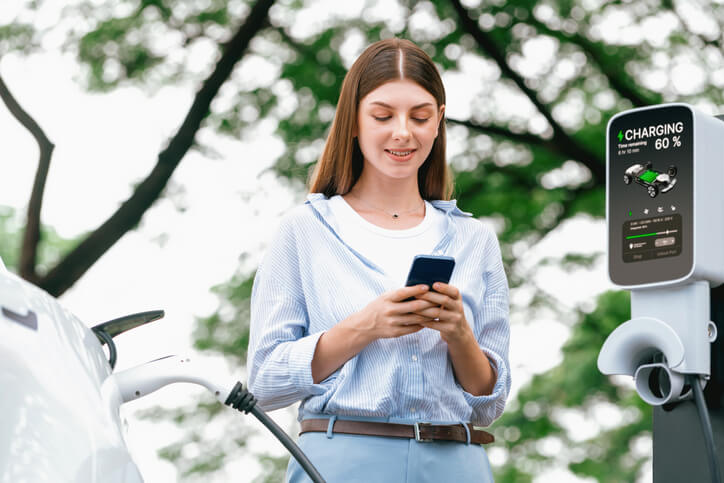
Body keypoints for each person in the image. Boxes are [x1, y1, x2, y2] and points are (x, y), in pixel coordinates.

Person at [247, 38, 510, 482]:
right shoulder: (303, 231)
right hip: (342, 460)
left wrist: (460, 334)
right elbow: (265, 382)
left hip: (456, 463)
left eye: (421, 117)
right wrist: (367, 325)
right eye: (383, 116)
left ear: (439, 122)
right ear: (353, 120)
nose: (403, 132)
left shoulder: (475, 239)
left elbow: (488, 403)